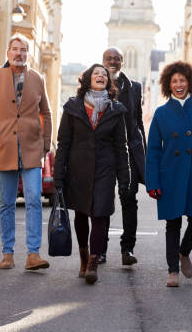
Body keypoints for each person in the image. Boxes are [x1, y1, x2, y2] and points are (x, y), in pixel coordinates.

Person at [0, 33, 52, 271]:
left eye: (24, 50)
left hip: (31, 149)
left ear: (28, 53)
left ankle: (33, 254)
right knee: (7, 203)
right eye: (16, 49)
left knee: (33, 200)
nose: (20, 53)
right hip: (5, 147)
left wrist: (46, 143)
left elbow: (46, 113)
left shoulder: (38, 78)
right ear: (8, 52)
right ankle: (7, 253)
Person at [145, 61, 192, 287]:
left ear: (190, 82)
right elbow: (153, 152)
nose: (179, 84)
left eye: (182, 80)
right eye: (174, 81)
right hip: (170, 175)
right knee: (173, 223)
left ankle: (183, 252)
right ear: (169, 85)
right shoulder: (161, 113)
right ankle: (172, 271)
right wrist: (153, 182)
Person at [54, 64, 130, 284]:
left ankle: (93, 262)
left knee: (100, 215)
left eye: (104, 74)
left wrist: (124, 178)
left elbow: (121, 146)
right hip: (78, 169)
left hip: (105, 169)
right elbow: (63, 143)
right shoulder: (72, 107)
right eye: (96, 73)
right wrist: (59, 176)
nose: (101, 76)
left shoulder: (116, 110)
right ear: (87, 79)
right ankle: (84, 255)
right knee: (81, 214)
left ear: (108, 81)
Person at [99, 47, 146, 266]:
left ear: (122, 62)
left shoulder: (134, 88)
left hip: (129, 153)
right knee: (104, 201)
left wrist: (143, 153)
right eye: (109, 58)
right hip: (106, 152)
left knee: (129, 200)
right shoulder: (97, 84)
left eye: (117, 59)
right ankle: (100, 250)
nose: (113, 62)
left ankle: (128, 249)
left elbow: (138, 122)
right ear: (103, 61)